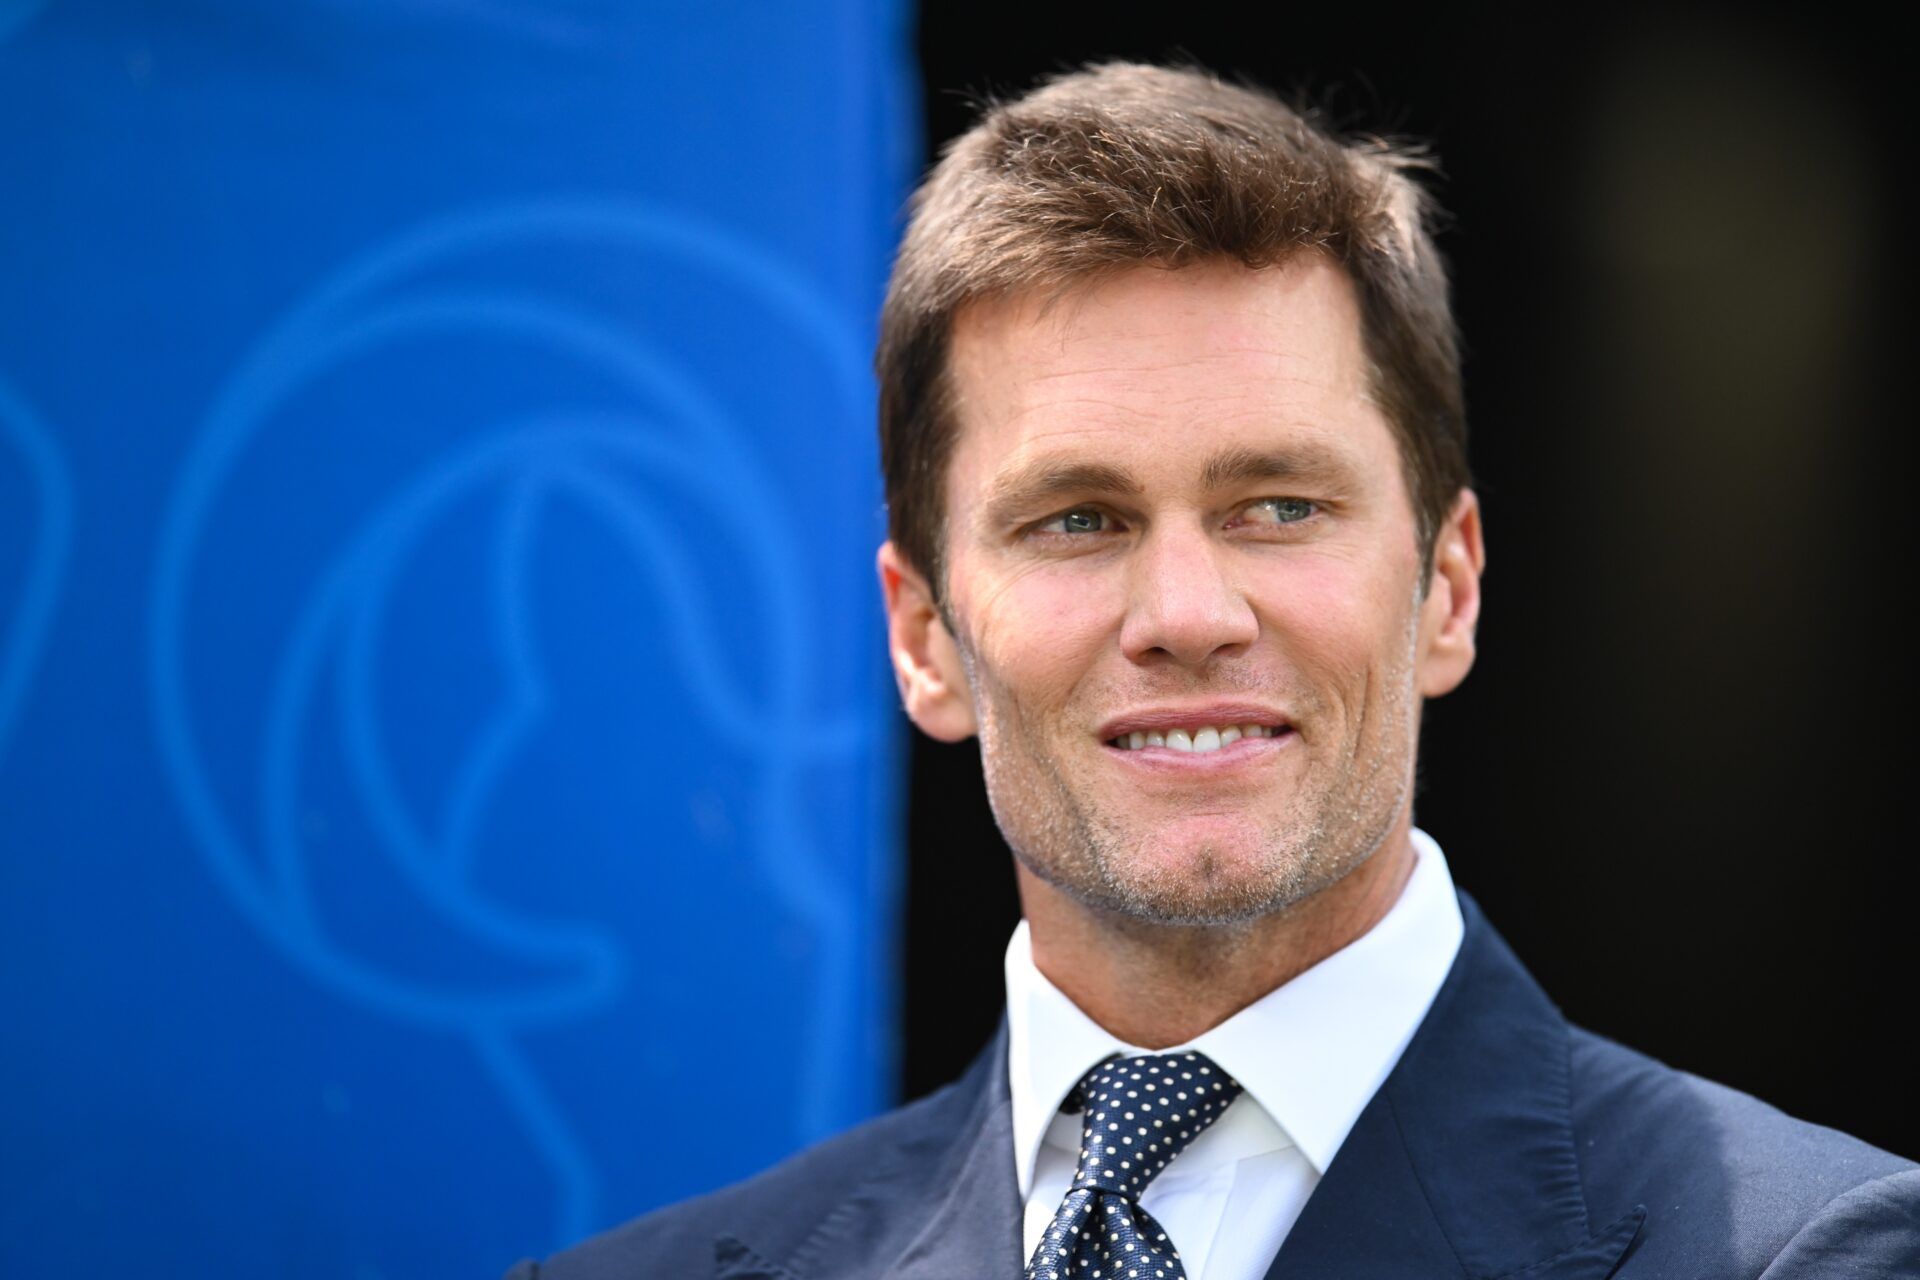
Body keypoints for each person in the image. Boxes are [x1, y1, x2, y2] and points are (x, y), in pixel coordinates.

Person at [505, 60, 1919, 1279]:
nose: (1187, 613)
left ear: (1447, 586)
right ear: (923, 638)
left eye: (1280, 506)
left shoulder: (1808, 1250)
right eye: (1079, 521)